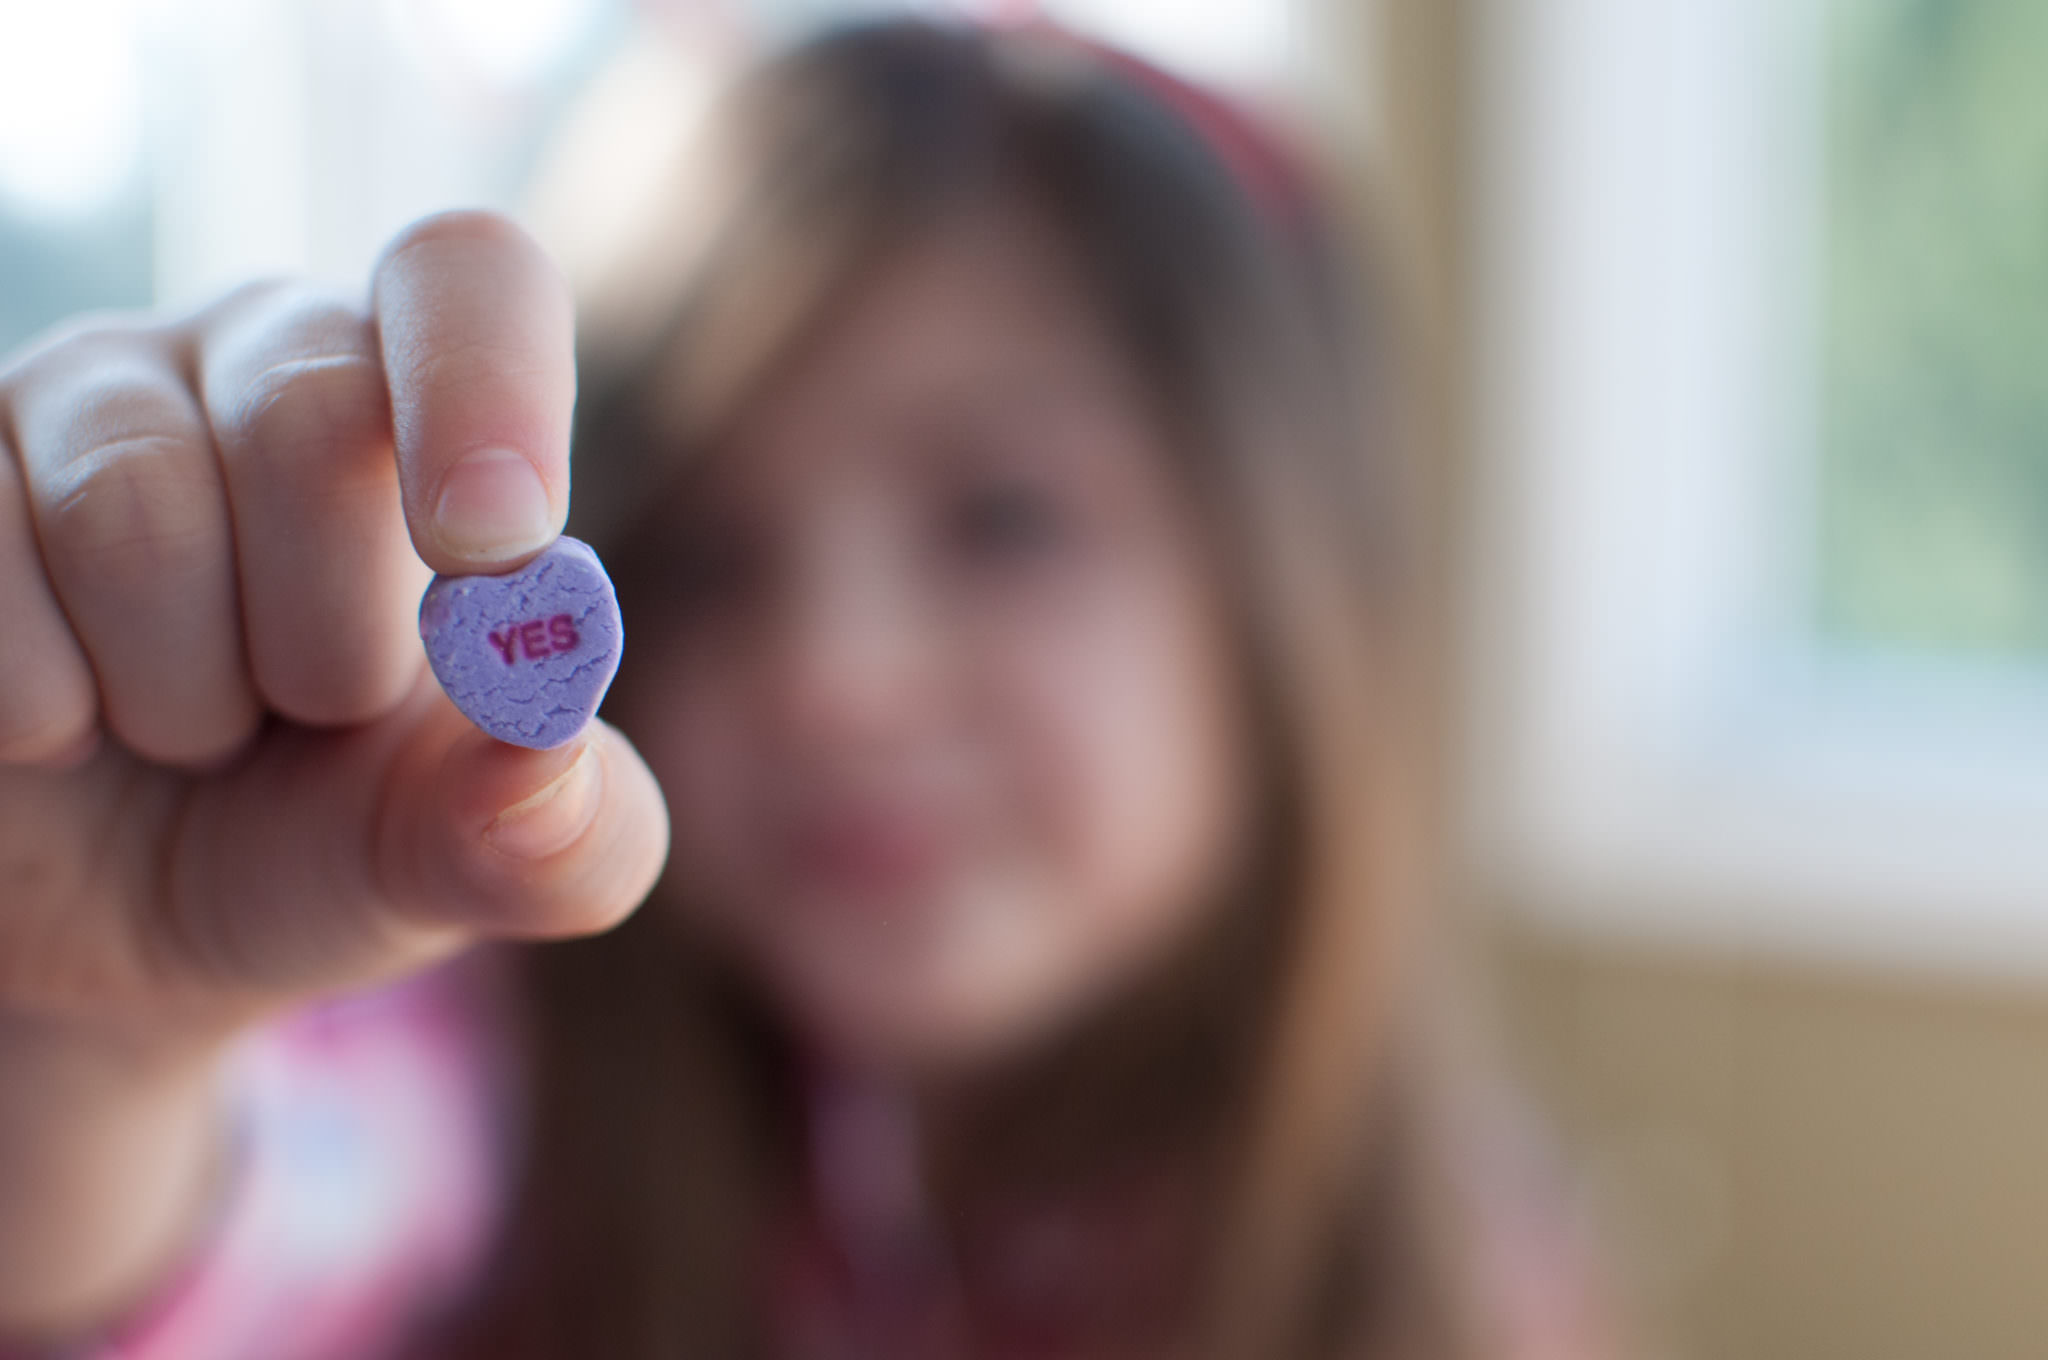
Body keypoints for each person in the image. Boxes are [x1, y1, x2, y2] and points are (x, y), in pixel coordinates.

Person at [0, 18, 1614, 1360]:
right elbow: (236, 1228)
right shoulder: (495, 1073)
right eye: (700, 562)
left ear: (1292, 599)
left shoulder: (1459, 1263)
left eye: (1003, 519)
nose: (834, 681)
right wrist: (102, 1066)